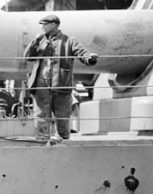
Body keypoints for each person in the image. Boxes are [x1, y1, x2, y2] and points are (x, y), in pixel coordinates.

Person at [23, 14, 97, 142]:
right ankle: (42, 141)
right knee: (41, 116)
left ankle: (63, 142)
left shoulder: (68, 41)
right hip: (40, 84)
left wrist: (89, 58)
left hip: (61, 84)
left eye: (45, 24)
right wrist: (34, 42)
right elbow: (28, 57)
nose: (42, 27)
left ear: (54, 24)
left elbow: (81, 52)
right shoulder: (40, 41)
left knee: (62, 116)